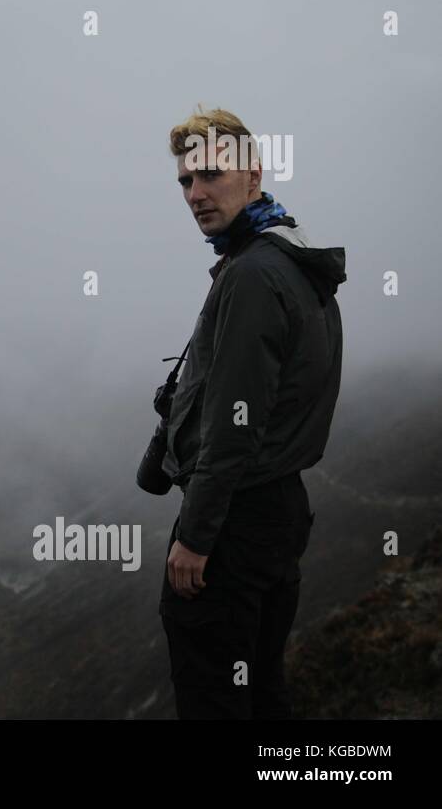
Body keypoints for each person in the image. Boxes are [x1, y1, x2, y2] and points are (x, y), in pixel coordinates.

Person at [157, 107, 346, 719]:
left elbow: (235, 427)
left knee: (213, 698)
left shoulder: (255, 275)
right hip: (278, 512)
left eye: (211, 175)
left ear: (253, 176)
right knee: (261, 693)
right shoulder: (292, 260)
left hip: (235, 524)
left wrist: (195, 537)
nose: (196, 193)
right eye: (186, 180)